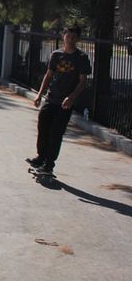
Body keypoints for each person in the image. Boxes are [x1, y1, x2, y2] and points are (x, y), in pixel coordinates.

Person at [27, 26, 92, 175]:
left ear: (77, 39)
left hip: (65, 103)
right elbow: (48, 76)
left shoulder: (81, 58)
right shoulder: (56, 55)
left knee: (56, 133)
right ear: (63, 37)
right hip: (51, 98)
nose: (70, 40)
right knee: (43, 128)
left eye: (73, 37)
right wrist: (39, 95)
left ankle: (49, 164)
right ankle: (40, 157)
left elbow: (83, 82)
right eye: (67, 36)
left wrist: (71, 97)